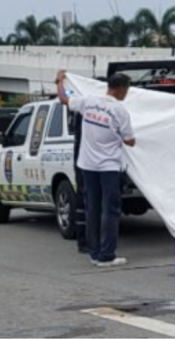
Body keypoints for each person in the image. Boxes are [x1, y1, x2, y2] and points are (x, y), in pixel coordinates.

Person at [57, 70, 136, 267]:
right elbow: (130, 141)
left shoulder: (88, 101)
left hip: (87, 165)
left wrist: (59, 80)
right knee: (110, 211)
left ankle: (94, 253)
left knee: (92, 208)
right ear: (120, 89)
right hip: (109, 167)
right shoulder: (119, 110)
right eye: (126, 90)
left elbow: (64, 99)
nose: (126, 93)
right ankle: (107, 255)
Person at [71, 111, 87, 255]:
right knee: (85, 203)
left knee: (84, 202)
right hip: (85, 162)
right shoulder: (85, 110)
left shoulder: (82, 110)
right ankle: (85, 241)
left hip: (83, 161)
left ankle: (85, 241)